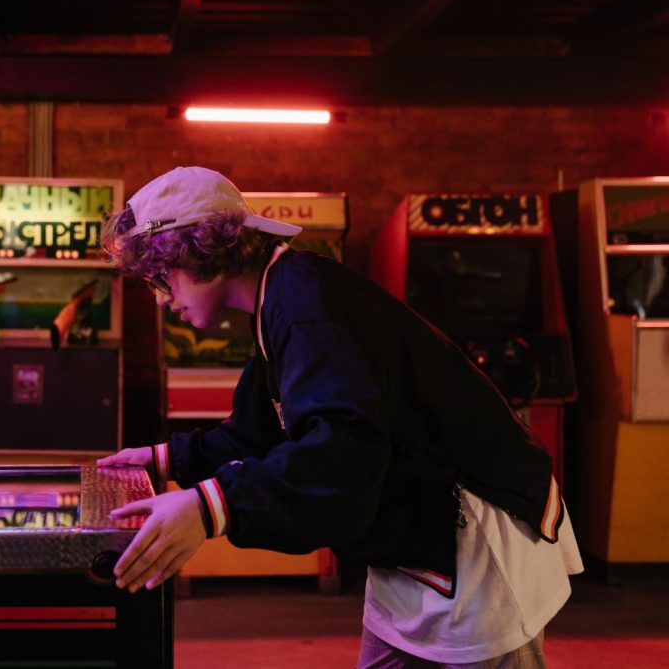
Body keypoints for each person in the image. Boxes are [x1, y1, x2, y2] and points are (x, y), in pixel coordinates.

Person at [98, 166, 583, 668]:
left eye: (161, 275)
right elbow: (259, 434)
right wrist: (162, 461)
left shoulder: (307, 305)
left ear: (200, 250)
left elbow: (339, 455)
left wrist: (206, 510)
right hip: (411, 538)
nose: (160, 296)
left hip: (471, 540)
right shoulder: (281, 299)